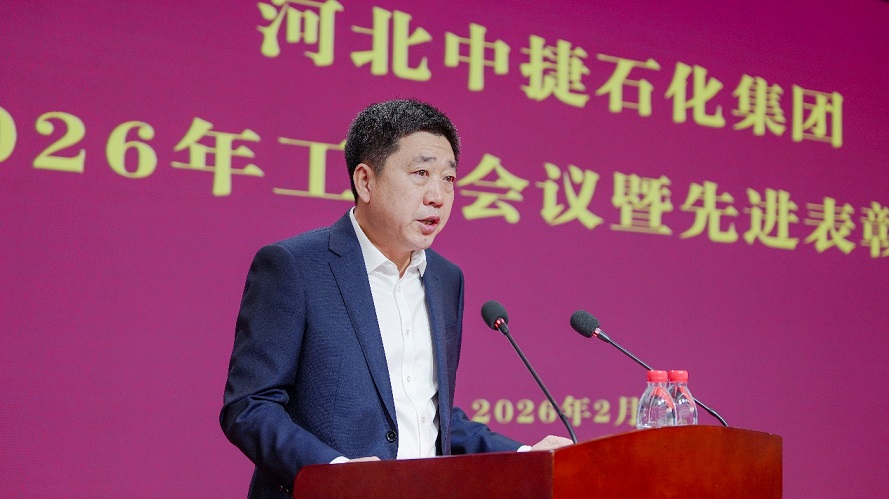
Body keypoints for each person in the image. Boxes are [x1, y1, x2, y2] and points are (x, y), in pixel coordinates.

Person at [220, 99, 572, 498]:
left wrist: (526, 456)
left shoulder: (446, 279)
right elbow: (250, 406)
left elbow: (430, 416)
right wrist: (335, 474)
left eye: (448, 178)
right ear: (365, 182)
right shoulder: (295, 266)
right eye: (421, 174)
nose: (438, 196)